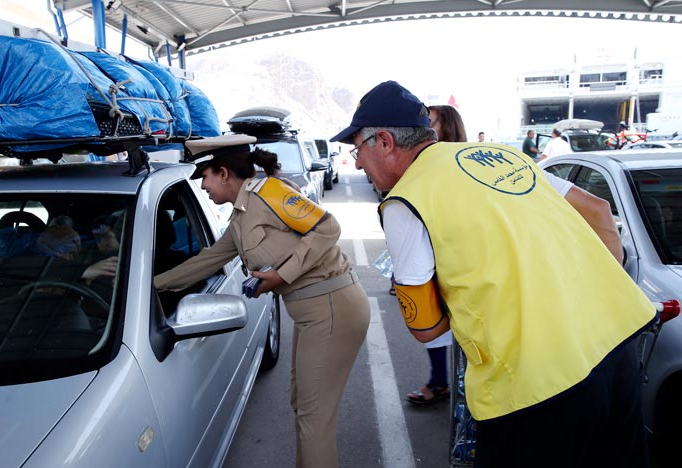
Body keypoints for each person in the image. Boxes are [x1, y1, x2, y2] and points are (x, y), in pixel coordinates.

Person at [331, 80, 655, 468]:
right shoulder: (500, 155)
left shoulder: (406, 200)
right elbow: (599, 210)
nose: (356, 163)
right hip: (618, 347)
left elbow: (425, 329)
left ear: (384, 141)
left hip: (534, 384)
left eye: (357, 150)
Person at [154, 134, 370, 468]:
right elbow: (206, 261)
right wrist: (152, 284)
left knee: (313, 421)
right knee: (304, 407)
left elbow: (328, 228)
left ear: (223, 173)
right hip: (314, 313)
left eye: (205, 177)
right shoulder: (240, 215)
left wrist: (282, 274)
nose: (204, 187)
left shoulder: (268, 193)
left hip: (333, 307)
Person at [404, 104, 465, 406]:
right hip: (436, 263)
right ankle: (440, 381)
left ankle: (448, 387)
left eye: (430, 123)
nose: (422, 128)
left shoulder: (459, 166)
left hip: (460, 267)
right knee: (438, 330)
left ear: (447, 128)